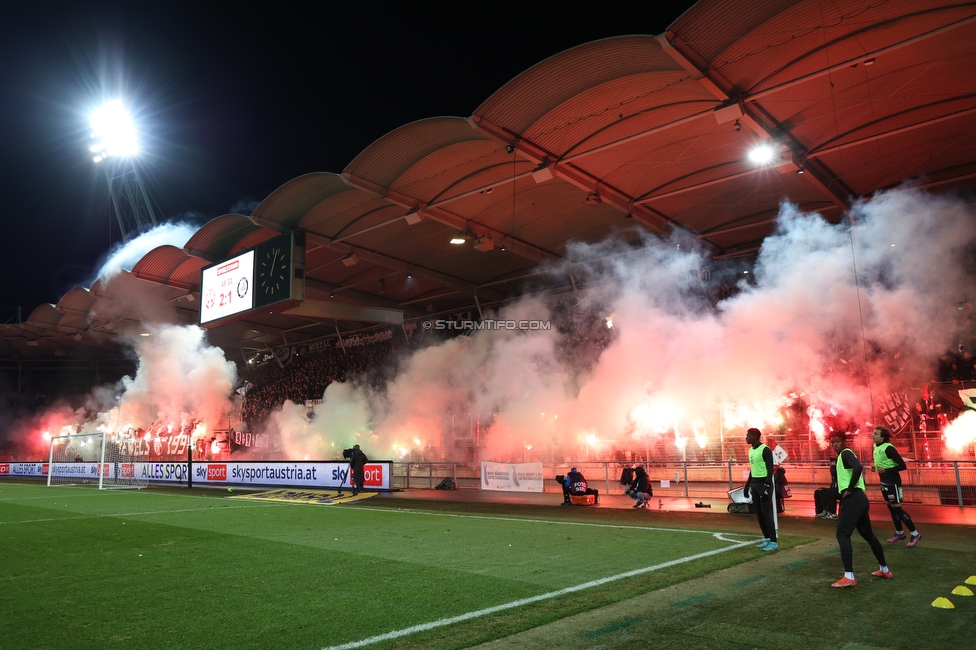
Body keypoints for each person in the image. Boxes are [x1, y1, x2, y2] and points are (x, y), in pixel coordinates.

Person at [830, 430, 892, 588]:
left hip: (854, 499)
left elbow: (858, 467)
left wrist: (849, 489)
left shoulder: (845, 453)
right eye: (832, 442)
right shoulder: (842, 456)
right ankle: (884, 569)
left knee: (842, 534)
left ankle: (849, 576)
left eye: (837, 440)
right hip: (859, 499)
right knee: (868, 535)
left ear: (844, 441)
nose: (834, 444)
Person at [871, 426, 921, 547]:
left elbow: (902, 466)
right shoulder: (875, 446)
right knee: (891, 509)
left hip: (893, 482)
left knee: (897, 509)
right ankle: (900, 533)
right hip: (884, 482)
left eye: (876, 434)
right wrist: (876, 468)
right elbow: (882, 463)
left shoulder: (889, 448)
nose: (873, 435)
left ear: (882, 437)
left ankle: (915, 534)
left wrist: (886, 470)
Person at [743, 428, 777, 551]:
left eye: (748, 436)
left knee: (766, 513)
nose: (746, 438)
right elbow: (753, 469)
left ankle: (773, 542)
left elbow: (770, 469)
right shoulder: (751, 450)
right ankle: (767, 538)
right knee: (759, 513)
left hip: (764, 484)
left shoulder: (765, 450)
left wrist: (767, 486)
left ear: (755, 436)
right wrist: (747, 485)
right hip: (755, 484)